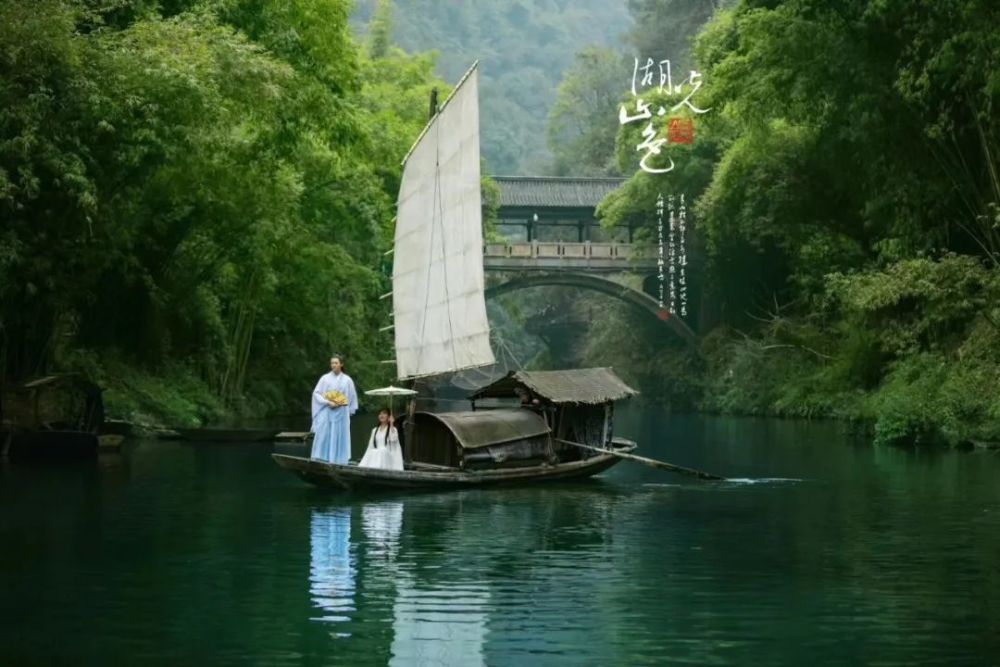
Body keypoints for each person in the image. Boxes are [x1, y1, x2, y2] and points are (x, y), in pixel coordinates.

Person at [310, 354, 358, 464]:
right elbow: (316, 393)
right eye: (332, 363)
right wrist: (327, 402)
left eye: (336, 363)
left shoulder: (347, 380)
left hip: (342, 412)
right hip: (327, 410)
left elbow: (351, 396)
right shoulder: (325, 378)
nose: (334, 365)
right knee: (323, 433)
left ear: (341, 364)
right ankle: (321, 458)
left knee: (340, 435)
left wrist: (347, 408)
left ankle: (338, 460)